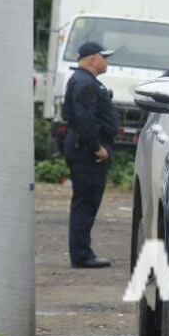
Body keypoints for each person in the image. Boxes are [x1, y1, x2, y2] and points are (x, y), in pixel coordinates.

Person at [62, 41, 119, 268]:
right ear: (94, 59)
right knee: (85, 203)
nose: (107, 62)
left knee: (87, 202)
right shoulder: (84, 83)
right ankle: (82, 255)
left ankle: (83, 252)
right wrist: (96, 147)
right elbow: (85, 118)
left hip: (85, 148)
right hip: (86, 151)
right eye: (104, 57)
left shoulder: (85, 81)